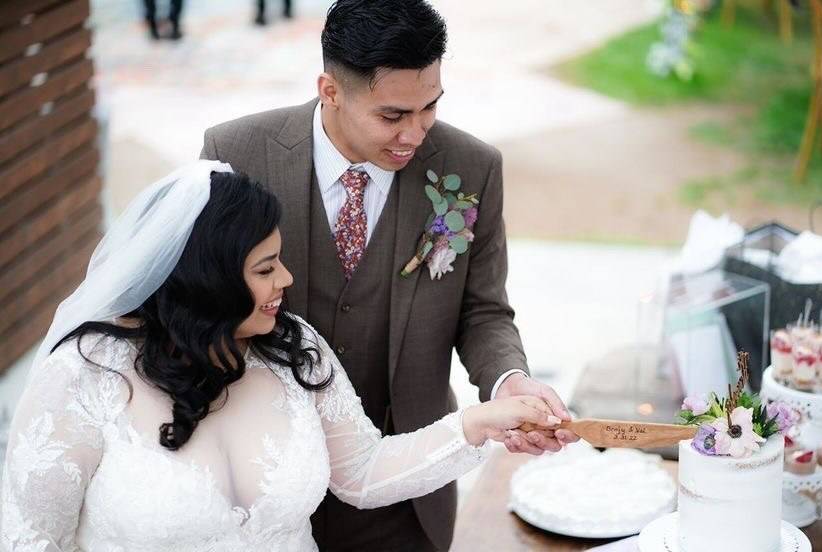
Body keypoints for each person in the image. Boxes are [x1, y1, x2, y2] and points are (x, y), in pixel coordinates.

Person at [0, 161, 561, 551]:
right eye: (265, 269)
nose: (285, 280)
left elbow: (362, 473)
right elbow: (30, 540)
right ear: (206, 280)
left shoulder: (294, 349)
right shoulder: (83, 377)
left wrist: (482, 423)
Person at [200, 1, 578, 549]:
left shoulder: (470, 167)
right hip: (264, 479)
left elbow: (483, 309)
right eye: (393, 116)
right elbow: (200, 301)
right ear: (331, 91)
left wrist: (508, 380)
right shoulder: (234, 154)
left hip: (410, 478)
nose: (416, 134)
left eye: (430, 107)